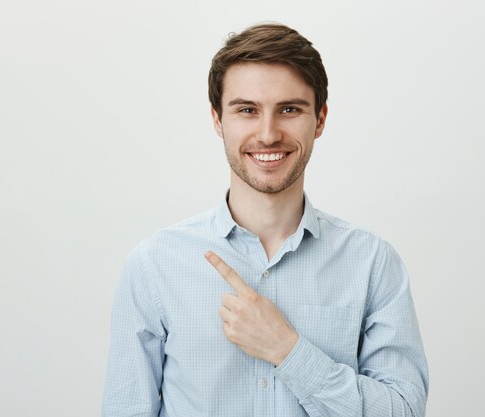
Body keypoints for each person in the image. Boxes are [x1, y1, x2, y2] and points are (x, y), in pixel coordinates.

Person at [102, 22, 428, 417]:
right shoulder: (153, 265)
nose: (268, 134)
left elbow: (404, 410)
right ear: (218, 120)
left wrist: (288, 351)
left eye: (289, 109)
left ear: (320, 120)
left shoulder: (373, 263)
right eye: (247, 110)